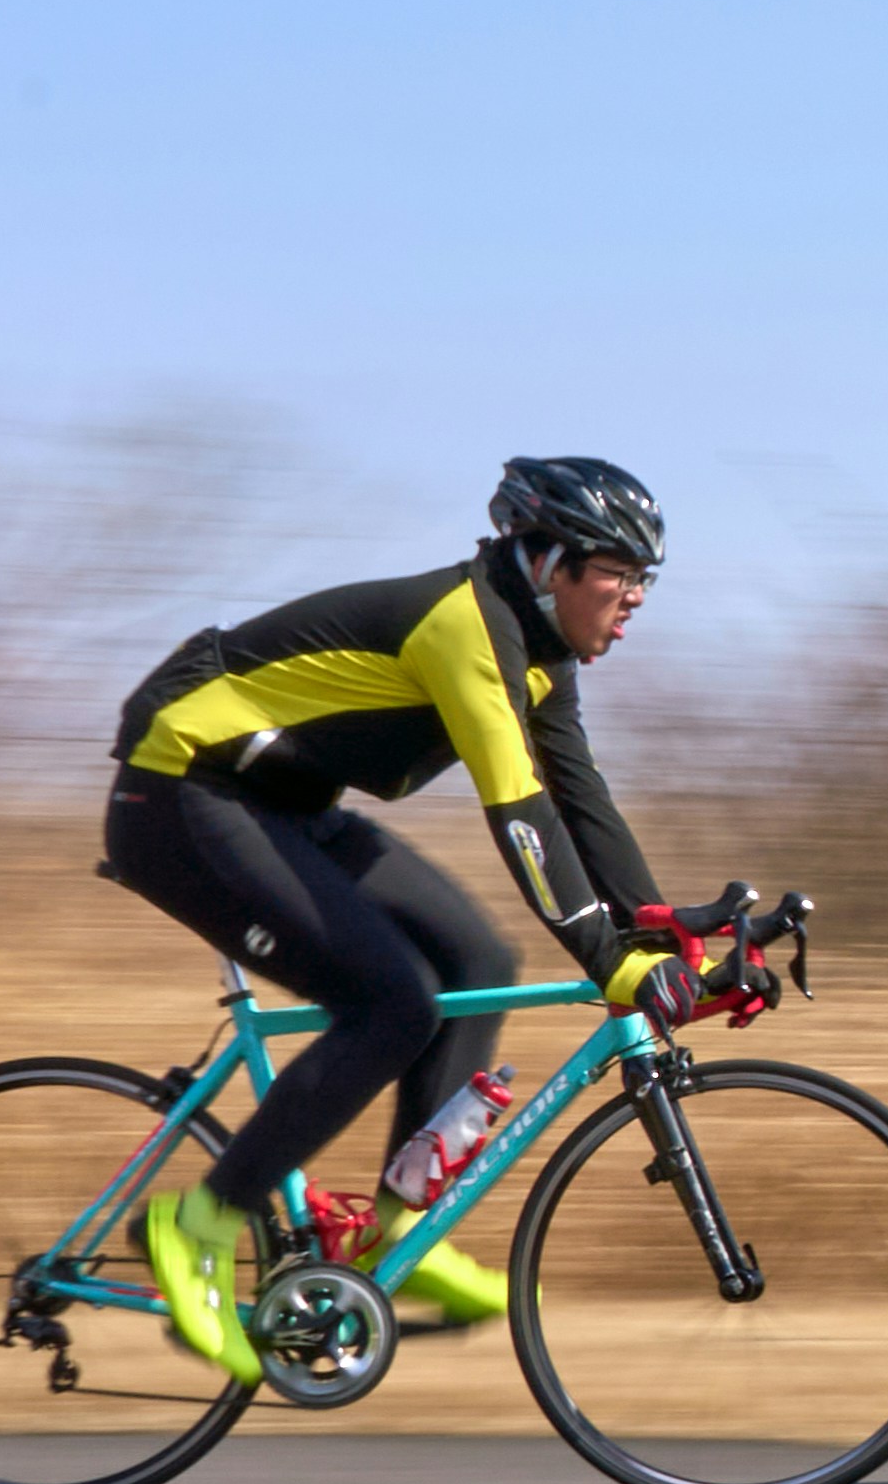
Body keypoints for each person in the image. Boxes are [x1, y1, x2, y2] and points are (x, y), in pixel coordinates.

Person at [96, 455, 701, 1375]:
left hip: (280, 801)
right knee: (390, 1005)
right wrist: (606, 959)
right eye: (620, 573)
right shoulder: (465, 626)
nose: (636, 598)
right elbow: (521, 810)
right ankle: (200, 1220)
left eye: (642, 578)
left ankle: (395, 1231)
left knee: (477, 962)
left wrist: (657, 932)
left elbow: (581, 800)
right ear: (549, 563)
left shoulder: (538, 658)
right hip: (183, 788)